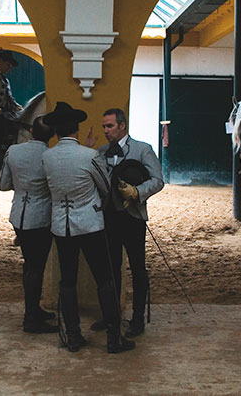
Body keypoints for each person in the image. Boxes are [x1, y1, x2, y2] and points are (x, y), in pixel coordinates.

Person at [41, 101, 135, 354]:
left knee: (67, 281)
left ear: (57, 131)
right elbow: (105, 187)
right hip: (91, 224)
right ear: (77, 129)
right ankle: (114, 338)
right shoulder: (90, 156)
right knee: (104, 279)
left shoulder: (47, 156)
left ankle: (73, 336)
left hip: (62, 226)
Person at [95, 108, 164, 338]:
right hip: (108, 217)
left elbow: (158, 180)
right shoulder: (101, 152)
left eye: (110, 126)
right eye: (104, 126)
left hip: (133, 217)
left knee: (137, 268)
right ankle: (111, 317)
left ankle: (137, 319)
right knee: (111, 268)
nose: (106, 131)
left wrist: (137, 192)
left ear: (122, 126)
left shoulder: (143, 149)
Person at [0, 116, 58, 334]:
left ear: (31, 131)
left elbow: (3, 185)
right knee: (36, 266)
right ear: (51, 135)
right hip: (41, 217)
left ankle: (33, 309)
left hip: (18, 215)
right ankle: (31, 317)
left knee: (30, 265)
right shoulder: (51, 156)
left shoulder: (13, 151)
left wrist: (22, 185)